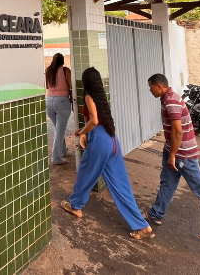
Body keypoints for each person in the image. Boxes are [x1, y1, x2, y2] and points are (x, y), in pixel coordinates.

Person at [61, 67, 154, 240]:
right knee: (120, 185)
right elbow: (99, 121)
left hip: (99, 143)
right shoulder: (101, 97)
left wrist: (81, 132)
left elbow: (94, 120)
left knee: (85, 175)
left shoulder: (89, 97)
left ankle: (76, 207)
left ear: (86, 82)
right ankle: (142, 226)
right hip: (112, 141)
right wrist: (85, 131)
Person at [146, 73, 200, 246]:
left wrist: (172, 155)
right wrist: (169, 151)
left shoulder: (171, 102)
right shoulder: (167, 98)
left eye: (151, 87)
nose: (150, 90)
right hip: (174, 150)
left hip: (183, 154)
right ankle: (156, 214)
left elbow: (178, 131)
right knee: (167, 183)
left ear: (160, 87)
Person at [45, 53, 72, 165]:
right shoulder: (66, 70)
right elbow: (71, 85)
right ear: (62, 60)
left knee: (58, 128)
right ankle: (56, 158)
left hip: (49, 101)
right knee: (60, 130)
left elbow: (47, 86)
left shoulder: (48, 71)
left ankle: (63, 150)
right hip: (61, 102)